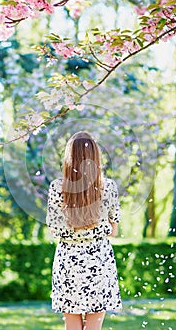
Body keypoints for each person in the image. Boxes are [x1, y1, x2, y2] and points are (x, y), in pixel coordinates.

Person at [46, 131, 122, 330]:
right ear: (95, 157)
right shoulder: (110, 188)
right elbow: (113, 230)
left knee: (71, 326)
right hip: (99, 260)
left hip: (68, 262)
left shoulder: (57, 188)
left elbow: (54, 230)